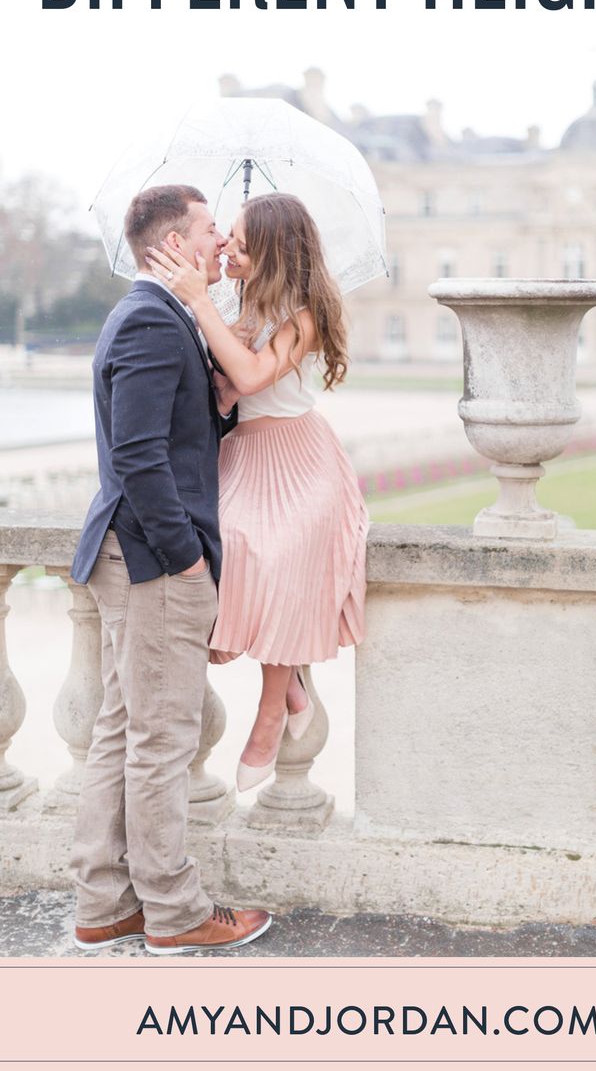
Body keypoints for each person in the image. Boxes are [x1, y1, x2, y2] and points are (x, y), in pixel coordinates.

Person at [69, 184, 272, 955]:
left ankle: (105, 901)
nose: (221, 241)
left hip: (132, 553)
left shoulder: (157, 315)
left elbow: (163, 434)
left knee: (123, 730)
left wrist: (217, 403)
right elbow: (139, 456)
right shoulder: (153, 319)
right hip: (154, 561)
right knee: (162, 740)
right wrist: (186, 559)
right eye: (211, 229)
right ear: (173, 244)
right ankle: (175, 910)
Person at [146, 192, 367, 793]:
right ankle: (292, 685)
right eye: (229, 236)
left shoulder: (304, 315)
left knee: (276, 555)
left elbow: (248, 376)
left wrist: (200, 307)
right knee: (226, 552)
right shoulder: (237, 300)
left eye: (242, 241)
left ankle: (270, 715)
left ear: (274, 249)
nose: (228, 247)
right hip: (241, 454)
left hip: (296, 459)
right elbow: (228, 390)